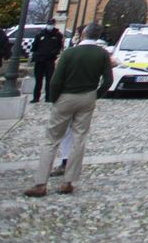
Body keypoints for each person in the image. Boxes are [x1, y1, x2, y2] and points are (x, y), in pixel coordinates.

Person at [24, 22, 114, 198]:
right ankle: (68, 182)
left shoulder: (69, 53)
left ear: (83, 35)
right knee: (79, 139)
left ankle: (41, 183)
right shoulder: (102, 53)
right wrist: (96, 95)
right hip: (88, 97)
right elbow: (108, 80)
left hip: (65, 97)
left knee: (51, 140)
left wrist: (55, 98)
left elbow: (55, 80)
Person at [30, 22, 64, 103]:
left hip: (50, 59)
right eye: (49, 24)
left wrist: (52, 54)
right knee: (38, 80)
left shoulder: (57, 35)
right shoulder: (40, 35)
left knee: (49, 79)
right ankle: (36, 97)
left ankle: (48, 97)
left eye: (51, 24)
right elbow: (34, 46)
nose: (50, 26)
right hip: (40, 59)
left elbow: (59, 47)